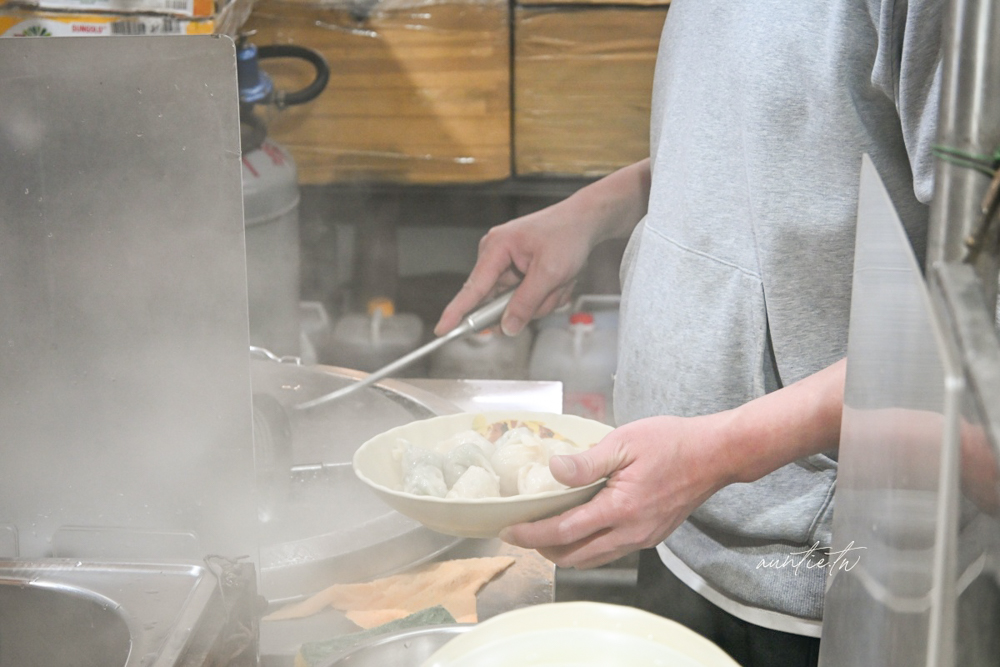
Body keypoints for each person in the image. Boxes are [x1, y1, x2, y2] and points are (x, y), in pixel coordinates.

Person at [433, 1, 946, 665]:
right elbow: (773, 145)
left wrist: (720, 452)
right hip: (678, 518)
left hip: (817, 583)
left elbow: (976, 326)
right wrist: (596, 210)